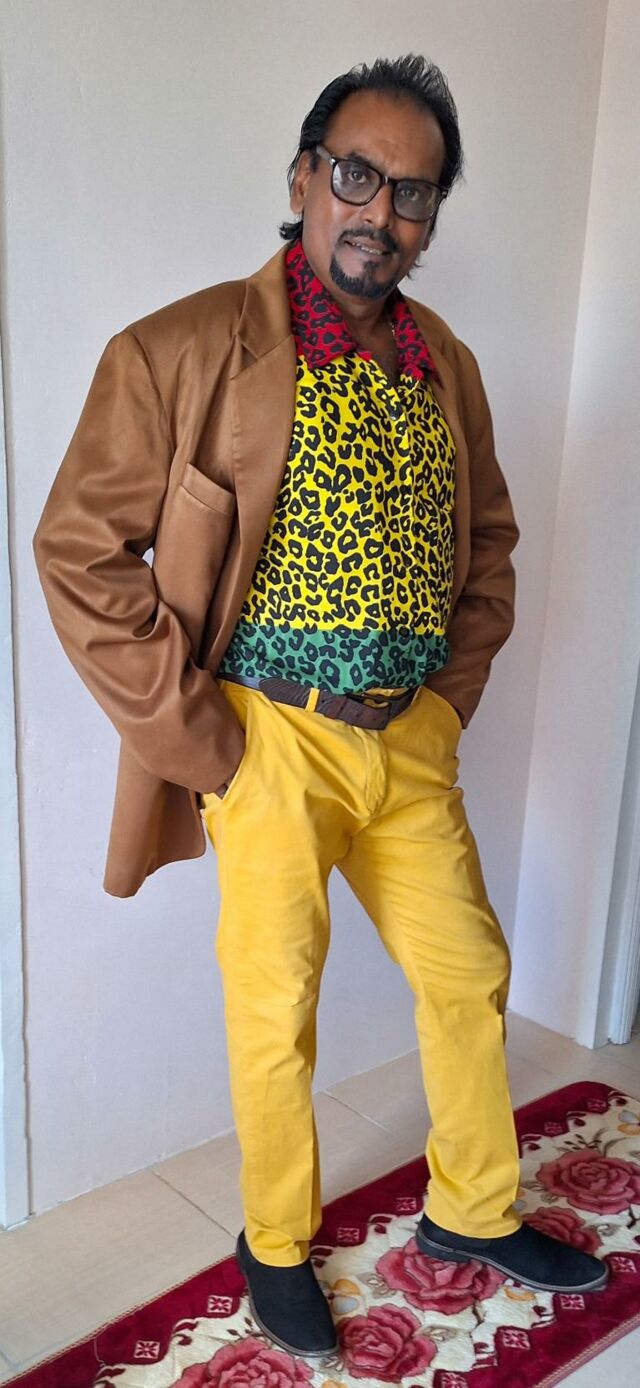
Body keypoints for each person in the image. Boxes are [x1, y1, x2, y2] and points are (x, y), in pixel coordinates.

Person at [33, 54, 608, 1361]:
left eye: (415, 192)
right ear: (303, 178)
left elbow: (490, 542)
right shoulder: (180, 348)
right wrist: (209, 744)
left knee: (469, 973)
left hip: (407, 733)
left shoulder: (443, 361)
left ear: (432, 218)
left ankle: (472, 1209)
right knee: (275, 1004)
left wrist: (446, 706)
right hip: (269, 735)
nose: (381, 211)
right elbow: (79, 551)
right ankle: (276, 1243)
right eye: (357, 173)